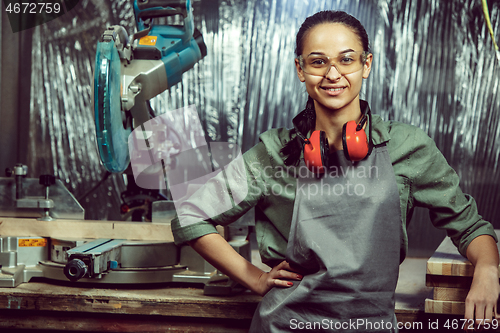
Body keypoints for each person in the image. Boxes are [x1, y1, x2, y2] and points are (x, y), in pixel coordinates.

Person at [171, 10, 499, 332]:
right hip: (285, 324)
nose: (332, 74)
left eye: (346, 60)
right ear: (300, 69)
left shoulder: (406, 147)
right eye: (317, 61)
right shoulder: (274, 153)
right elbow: (190, 217)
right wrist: (254, 278)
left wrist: (487, 269)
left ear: (365, 65)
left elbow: (469, 225)